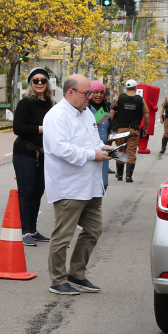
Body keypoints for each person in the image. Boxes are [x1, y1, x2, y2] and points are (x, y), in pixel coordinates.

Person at [42, 74, 114, 296]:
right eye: (87, 93)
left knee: (93, 229)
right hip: (69, 186)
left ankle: (76, 273)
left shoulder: (86, 112)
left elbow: (92, 140)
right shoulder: (57, 116)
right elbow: (61, 149)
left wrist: (103, 147)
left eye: (91, 93)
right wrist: (93, 154)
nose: (90, 97)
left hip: (90, 184)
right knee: (63, 236)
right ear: (70, 92)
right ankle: (57, 280)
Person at [12, 66, 54, 247]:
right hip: (24, 153)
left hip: (43, 154)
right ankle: (25, 231)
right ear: (31, 83)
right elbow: (18, 128)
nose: (39, 83)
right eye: (36, 80)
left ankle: (33, 229)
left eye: (43, 80)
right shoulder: (25, 103)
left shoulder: (51, 104)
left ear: (47, 83)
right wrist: (43, 128)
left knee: (38, 191)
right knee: (26, 191)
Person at [110, 79, 149, 183]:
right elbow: (146, 115)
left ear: (126, 88)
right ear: (136, 88)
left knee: (120, 151)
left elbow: (112, 112)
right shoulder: (140, 100)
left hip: (120, 129)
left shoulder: (119, 98)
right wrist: (145, 128)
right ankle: (128, 176)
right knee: (131, 153)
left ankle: (119, 175)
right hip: (133, 130)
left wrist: (111, 126)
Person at [88, 80, 112, 191]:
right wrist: (94, 124)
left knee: (104, 184)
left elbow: (109, 126)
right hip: (90, 151)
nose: (99, 95)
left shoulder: (106, 108)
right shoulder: (85, 109)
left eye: (101, 92)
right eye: (96, 92)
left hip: (104, 150)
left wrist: (111, 134)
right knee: (91, 184)